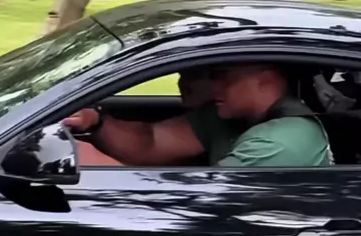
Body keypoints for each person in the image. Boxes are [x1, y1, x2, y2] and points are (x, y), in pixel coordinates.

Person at [65, 64, 333, 168]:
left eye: (222, 76)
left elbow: (192, 204)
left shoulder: (280, 143)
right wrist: (95, 122)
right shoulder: (230, 115)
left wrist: (92, 164)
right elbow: (152, 141)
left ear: (267, 81)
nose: (212, 87)